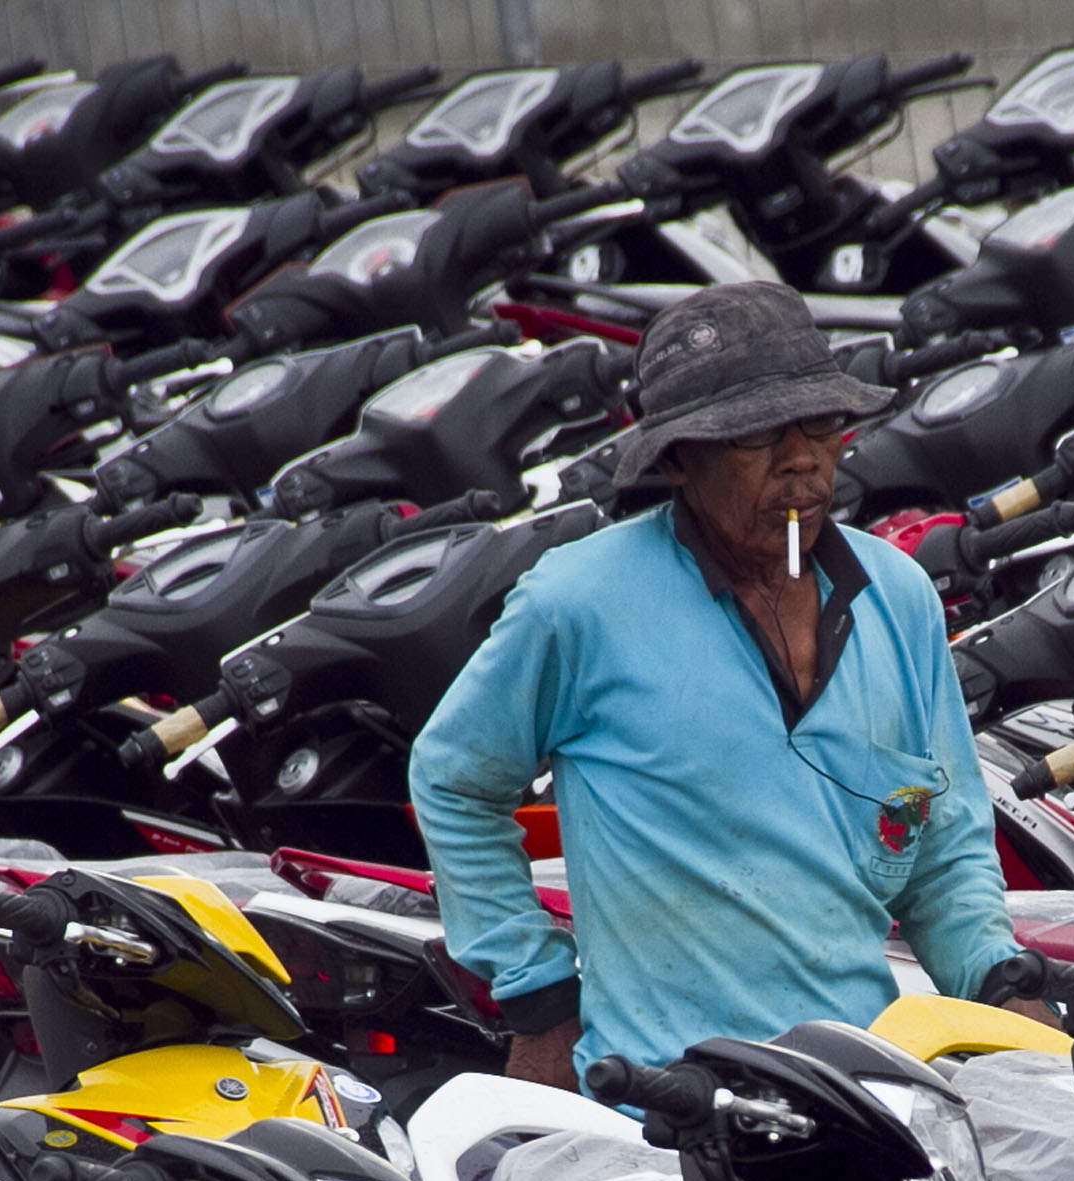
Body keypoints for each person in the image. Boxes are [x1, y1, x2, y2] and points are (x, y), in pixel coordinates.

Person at [409, 280, 1025, 1092]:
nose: (801, 457)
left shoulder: (897, 597)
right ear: (677, 460)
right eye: (757, 435)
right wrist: (537, 989)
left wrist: (1001, 987)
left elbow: (942, 847)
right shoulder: (581, 603)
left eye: (820, 424)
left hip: (864, 1093)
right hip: (664, 1106)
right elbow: (452, 780)